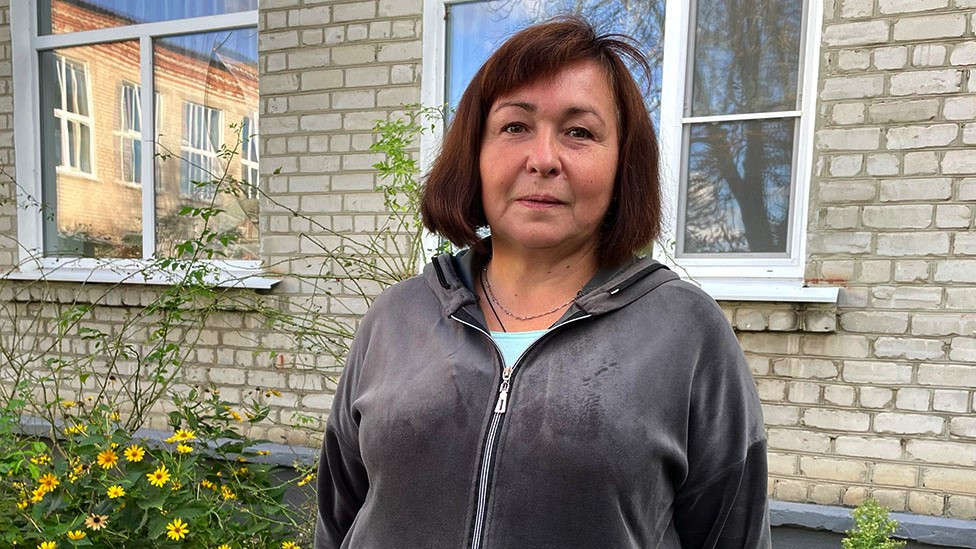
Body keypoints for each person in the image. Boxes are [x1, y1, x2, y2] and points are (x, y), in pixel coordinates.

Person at [315, 16, 770, 549]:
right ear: (475, 155)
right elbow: (337, 517)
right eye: (515, 127)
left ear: (623, 164)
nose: (544, 159)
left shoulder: (688, 335)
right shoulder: (395, 318)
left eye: (579, 132)